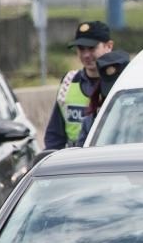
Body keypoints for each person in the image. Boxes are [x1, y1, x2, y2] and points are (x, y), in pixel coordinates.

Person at [44, 20, 114, 151]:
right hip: (75, 160)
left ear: (109, 46)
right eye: (81, 49)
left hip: (108, 157)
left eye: (92, 48)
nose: (86, 55)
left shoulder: (120, 83)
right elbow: (55, 135)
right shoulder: (68, 82)